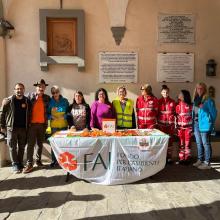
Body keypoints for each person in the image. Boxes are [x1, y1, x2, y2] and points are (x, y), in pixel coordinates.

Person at [0, 83, 31, 173]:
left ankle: (20, 163)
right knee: (12, 147)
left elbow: (29, 113)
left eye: (21, 88)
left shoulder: (27, 101)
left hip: (23, 128)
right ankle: (15, 164)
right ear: (14, 90)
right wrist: (2, 126)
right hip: (11, 128)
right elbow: (2, 113)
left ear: (24, 90)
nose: (19, 90)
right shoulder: (8, 100)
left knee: (22, 147)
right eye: (17, 89)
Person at [23, 79, 50, 173]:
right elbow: (19, 96)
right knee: (30, 145)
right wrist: (8, 98)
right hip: (32, 125)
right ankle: (29, 163)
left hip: (42, 125)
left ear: (45, 88)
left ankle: (38, 161)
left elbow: (55, 101)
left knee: (39, 144)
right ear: (36, 87)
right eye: (39, 86)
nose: (41, 88)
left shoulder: (47, 98)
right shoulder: (30, 96)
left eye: (43, 86)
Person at [192, 82, 217, 169]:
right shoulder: (195, 99)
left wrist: (210, 122)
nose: (199, 90)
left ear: (204, 89)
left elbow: (214, 113)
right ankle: (200, 159)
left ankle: (207, 163)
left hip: (205, 125)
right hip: (196, 124)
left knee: (206, 143)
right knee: (199, 143)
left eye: (201, 88)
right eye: (198, 88)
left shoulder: (208, 100)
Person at [47, 86, 69, 167]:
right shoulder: (50, 102)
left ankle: (63, 161)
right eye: (53, 93)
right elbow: (47, 113)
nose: (55, 94)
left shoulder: (65, 101)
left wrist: (65, 116)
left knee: (63, 144)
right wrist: (51, 117)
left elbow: (69, 112)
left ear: (59, 92)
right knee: (54, 144)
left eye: (56, 92)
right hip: (54, 127)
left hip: (63, 126)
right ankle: (54, 161)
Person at [158, 85, 176, 163]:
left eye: (167, 92)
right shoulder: (158, 101)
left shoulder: (172, 101)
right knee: (162, 141)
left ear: (169, 93)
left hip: (170, 125)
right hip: (161, 125)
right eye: (164, 92)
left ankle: (169, 158)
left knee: (170, 141)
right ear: (161, 93)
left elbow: (175, 113)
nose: (165, 93)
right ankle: (162, 158)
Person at [176, 90, 193, 164]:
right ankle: (181, 159)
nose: (179, 94)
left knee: (187, 143)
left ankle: (187, 159)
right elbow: (175, 117)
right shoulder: (177, 105)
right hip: (180, 128)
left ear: (184, 96)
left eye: (180, 93)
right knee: (181, 143)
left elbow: (194, 116)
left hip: (188, 128)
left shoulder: (190, 105)